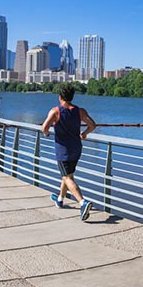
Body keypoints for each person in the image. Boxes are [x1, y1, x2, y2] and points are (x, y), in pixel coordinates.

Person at [41, 83, 97, 221]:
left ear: (60, 97)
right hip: (76, 149)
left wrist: (47, 133)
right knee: (67, 175)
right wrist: (84, 134)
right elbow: (92, 125)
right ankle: (60, 200)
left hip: (63, 150)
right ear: (72, 97)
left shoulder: (55, 111)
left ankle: (83, 203)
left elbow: (44, 128)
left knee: (67, 177)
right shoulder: (80, 111)